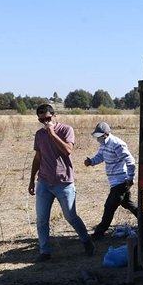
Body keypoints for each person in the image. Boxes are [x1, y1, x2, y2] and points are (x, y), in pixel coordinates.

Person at [28, 104, 94, 261]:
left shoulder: (66, 130)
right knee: (42, 219)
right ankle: (45, 252)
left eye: (48, 118)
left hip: (63, 182)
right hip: (43, 182)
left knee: (71, 217)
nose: (45, 122)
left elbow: (67, 150)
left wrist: (52, 134)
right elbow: (38, 158)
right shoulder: (39, 135)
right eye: (41, 120)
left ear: (54, 116)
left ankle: (87, 241)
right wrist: (31, 180)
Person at [83, 122, 143, 240]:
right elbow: (100, 156)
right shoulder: (104, 144)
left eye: (99, 136)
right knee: (128, 203)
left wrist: (130, 178)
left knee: (109, 206)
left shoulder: (117, 144)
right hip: (114, 181)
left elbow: (131, 162)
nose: (98, 139)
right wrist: (91, 162)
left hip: (121, 181)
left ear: (106, 134)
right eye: (96, 136)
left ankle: (99, 233)